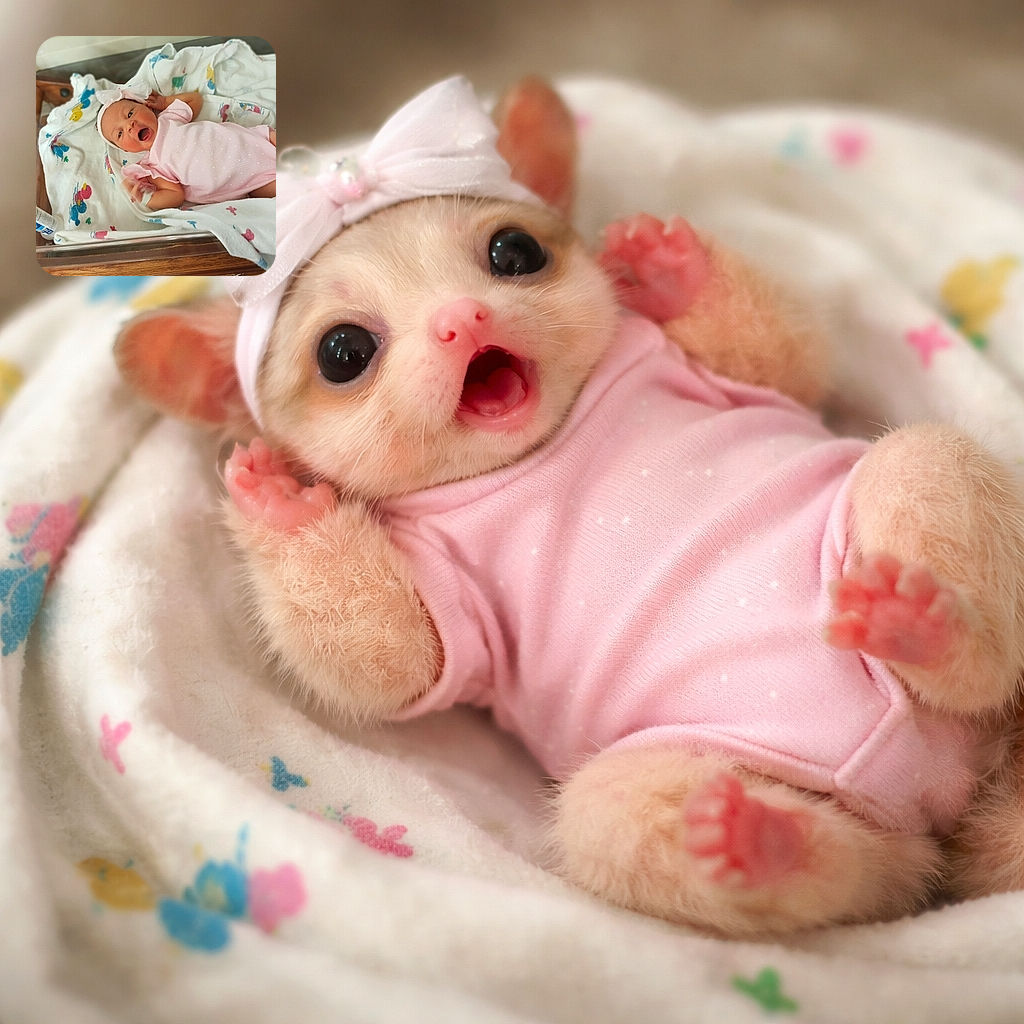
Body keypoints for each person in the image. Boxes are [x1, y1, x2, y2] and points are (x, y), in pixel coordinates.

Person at [97, 90, 276, 210]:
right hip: (251, 181)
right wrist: (146, 197)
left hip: (254, 141)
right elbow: (175, 196)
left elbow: (195, 99)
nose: (130, 125)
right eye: (119, 133)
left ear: (146, 107)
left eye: (130, 114)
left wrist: (165, 101)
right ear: (124, 150)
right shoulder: (153, 167)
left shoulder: (169, 119)